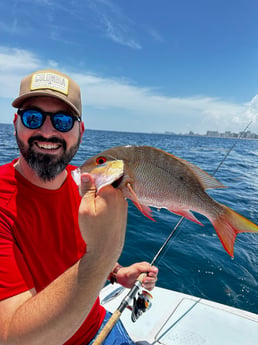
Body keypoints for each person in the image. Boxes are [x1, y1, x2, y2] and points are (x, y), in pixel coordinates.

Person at [0, 69, 158, 345]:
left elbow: (76, 251)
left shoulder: (87, 186)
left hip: (99, 325)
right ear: (16, 124)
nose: (47, 132)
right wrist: (103, 254)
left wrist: (116, 271)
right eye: (33, 117)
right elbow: (12, 338)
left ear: (80, 131)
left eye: (62, 121)